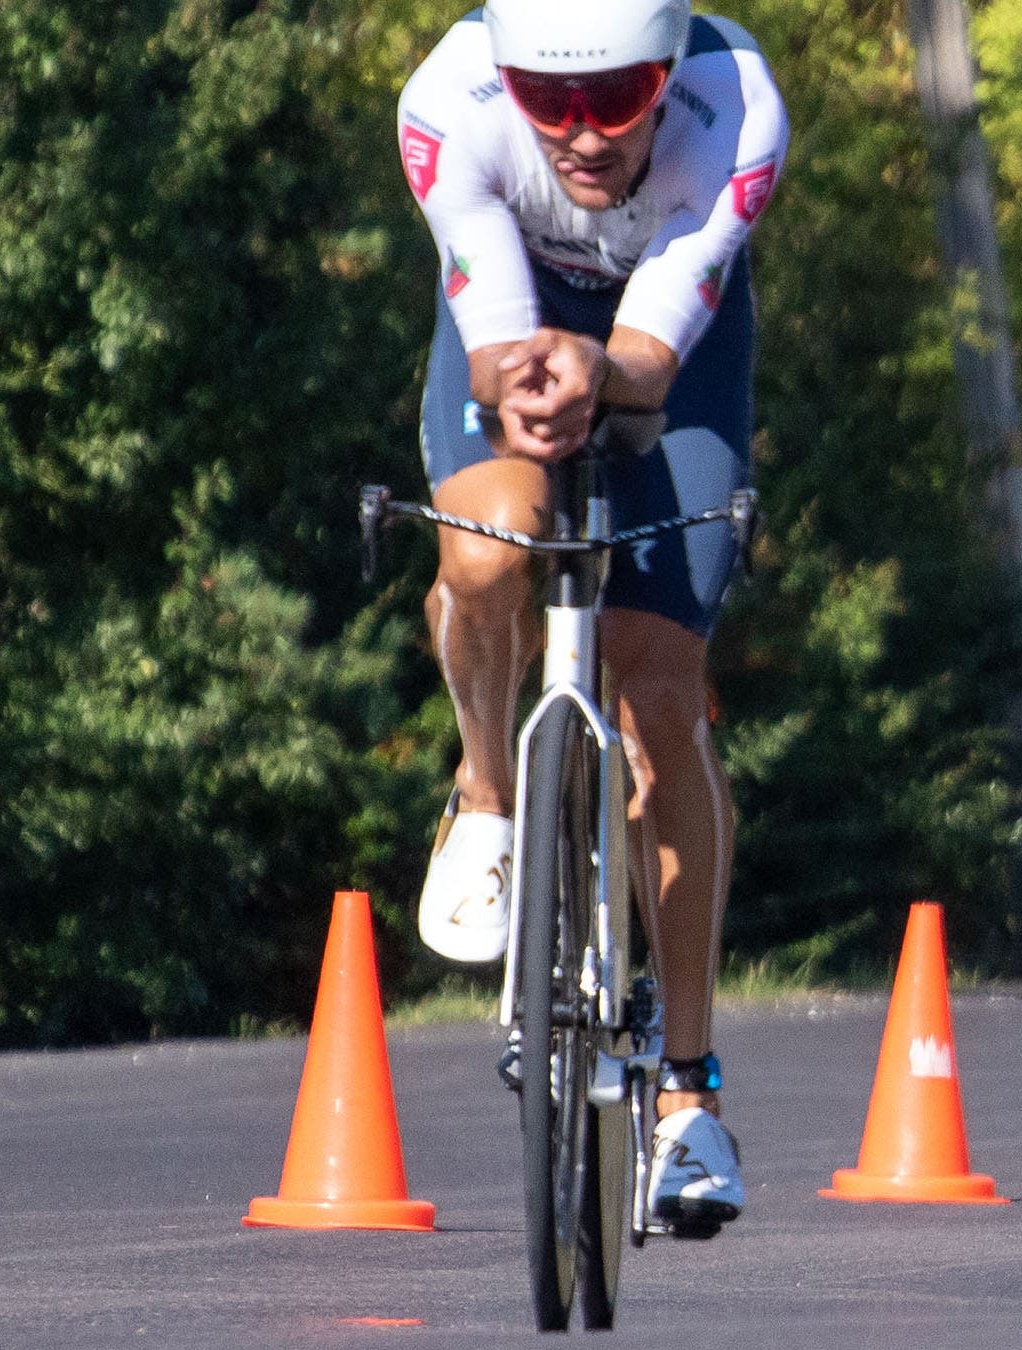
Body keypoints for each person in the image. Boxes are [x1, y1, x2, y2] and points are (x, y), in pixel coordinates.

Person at [395, 0, 788, 1234]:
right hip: (514, 323)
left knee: (660, 685)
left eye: (612, 100)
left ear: (667, 76)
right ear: (504, 78)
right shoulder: (447, 103)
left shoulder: (737, 107)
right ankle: (486, 792)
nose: (577, 133)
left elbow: (655, 361)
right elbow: (495, 343)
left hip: (675, 348)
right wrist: (530, 379)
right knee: (484, 550)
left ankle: (688, 1093)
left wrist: (600, 376)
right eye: (546, 100)